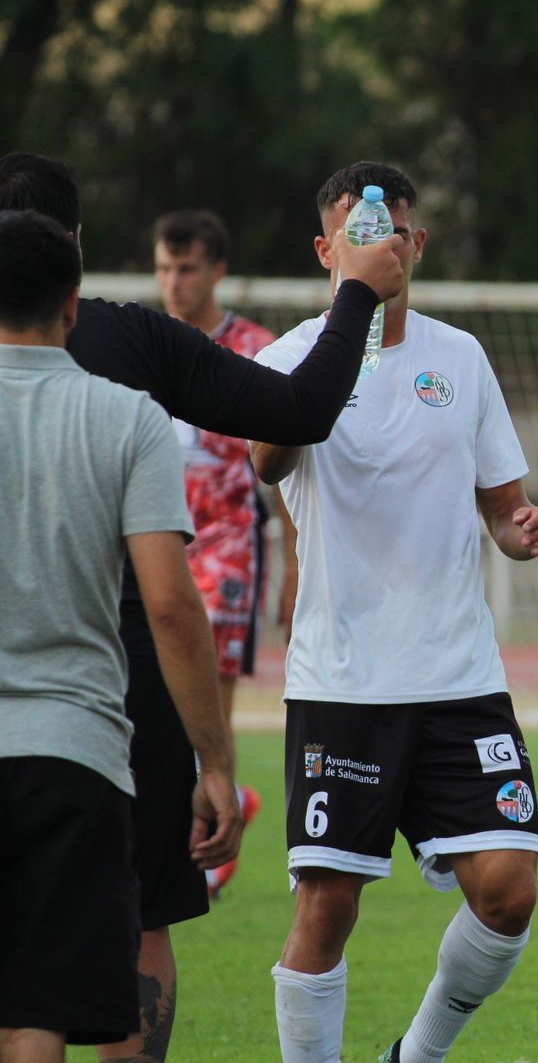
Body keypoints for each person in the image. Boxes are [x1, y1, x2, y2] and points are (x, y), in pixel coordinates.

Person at [0, 151, 402, 1063]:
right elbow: (297, 411)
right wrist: (356, 292)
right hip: (111, 696)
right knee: (138, 918)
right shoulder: (130, 369)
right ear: (74, 258)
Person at [249, 160, 538, 1063]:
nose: (376, 245)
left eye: (388, 231)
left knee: (509, 890)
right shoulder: (289, 358)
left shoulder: (460, 357)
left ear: (416, 244)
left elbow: (502, 510)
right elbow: (268, 460)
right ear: (326, 250)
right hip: (344, 681)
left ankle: (414, 1056)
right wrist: (347, 317)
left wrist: (525, 530)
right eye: (355, 232)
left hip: (458, 676)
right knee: (327, 906)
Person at [0, 209, 241, 1061]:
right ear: (73, 304)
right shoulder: (128, 417)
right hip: (73, 751)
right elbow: (171, 605)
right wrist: (215, 763)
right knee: (37, 1007)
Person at [153, 208, 276, 897]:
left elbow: (286, 459)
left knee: (208, 709)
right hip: (156, 542)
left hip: (228, 547)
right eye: (165, 268)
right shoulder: (146, 343)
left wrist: (294, 563)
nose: (174, 282)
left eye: (188, 268)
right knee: (156, 699)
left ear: (218, 271)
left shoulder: (254, 348)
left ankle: (209, 839)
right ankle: (215, 814)